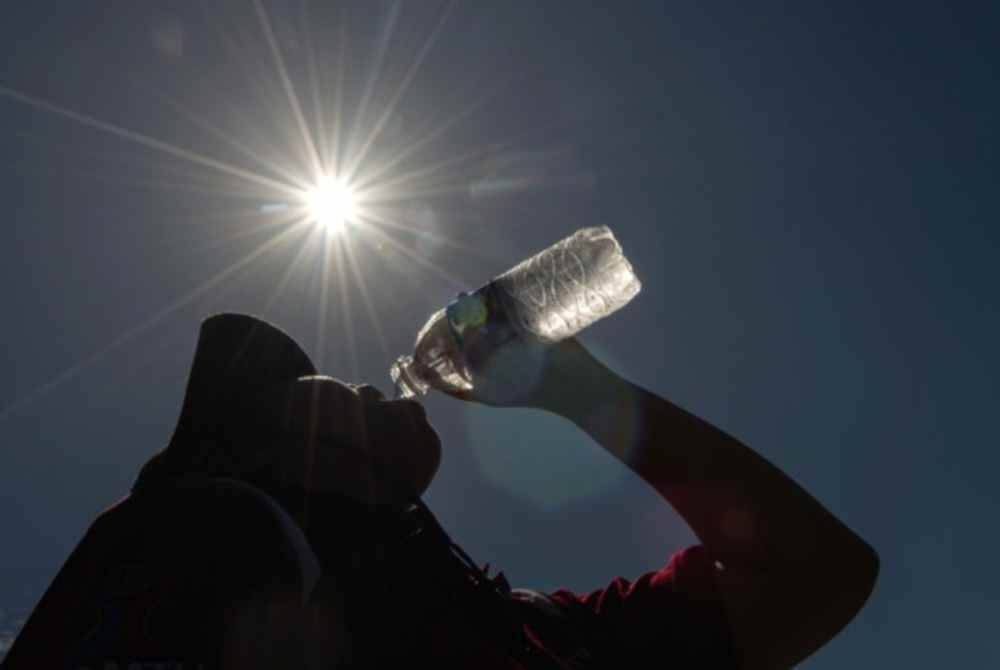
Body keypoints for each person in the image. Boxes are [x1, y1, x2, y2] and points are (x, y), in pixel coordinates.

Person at [2, 312, 878, 669]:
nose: (376, 386)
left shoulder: (541, 629)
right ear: (269, 453)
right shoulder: (212, 533)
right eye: (326, 391)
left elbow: (818, 574)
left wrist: (582, 395)